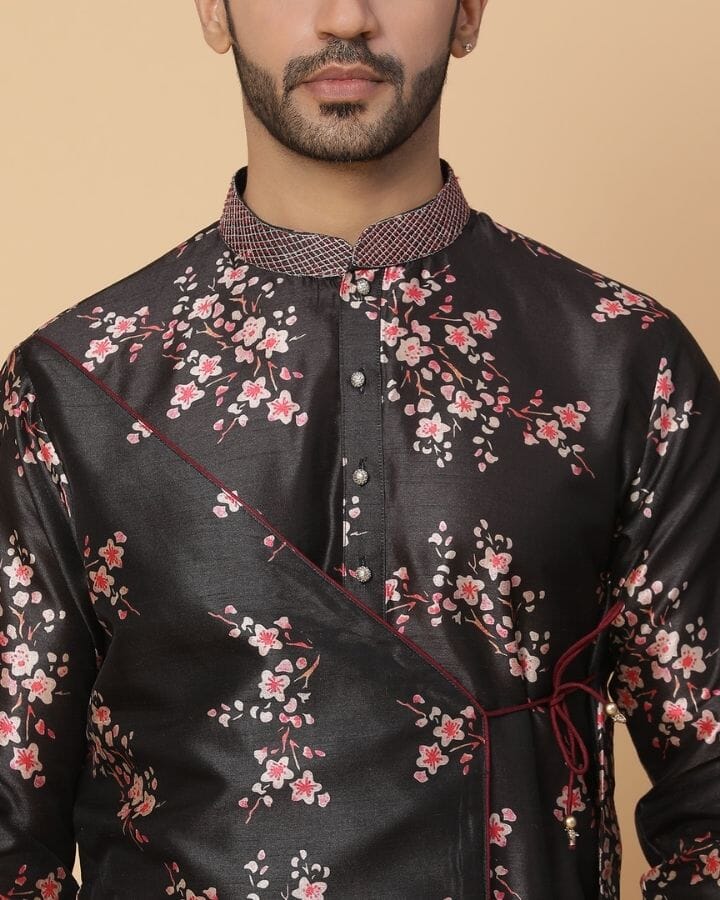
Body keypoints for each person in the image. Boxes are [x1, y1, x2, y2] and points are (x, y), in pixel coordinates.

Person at [1, 0, 718, 896]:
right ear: (215, 12)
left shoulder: (621, 361)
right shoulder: (74, 386)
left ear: (468, 13)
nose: (346, 17)